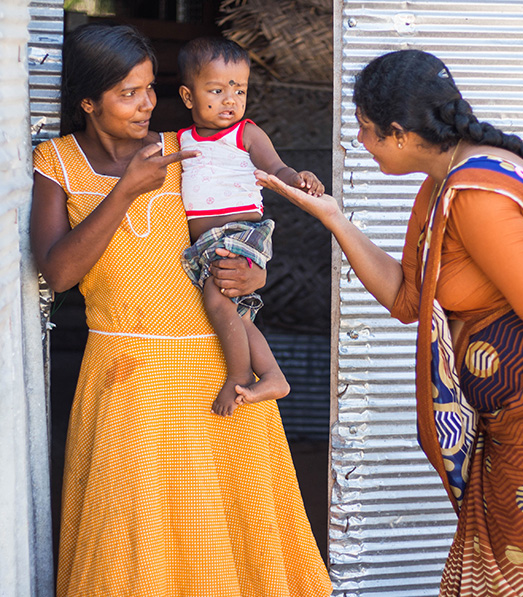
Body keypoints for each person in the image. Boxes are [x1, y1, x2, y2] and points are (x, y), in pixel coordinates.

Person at [259, 49, 523, 596]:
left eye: (366, 131)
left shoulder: (475, 194)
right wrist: (334, 217)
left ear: (400, 132)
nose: (360, 144)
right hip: (515, 418)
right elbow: (408, 299)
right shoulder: (443, 184)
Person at [29, 23, 331, 597]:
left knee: (232, 531)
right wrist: (125, 191)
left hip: (218, 370)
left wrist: (254, 273)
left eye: (149, 88)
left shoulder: (185, 149)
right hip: (126, 376)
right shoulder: (57, 162)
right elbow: (60, 273)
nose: (147, 104)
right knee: (134, 535)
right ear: (87, 103)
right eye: (128, 93)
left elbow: (237, 231)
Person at [175, 36, 324, 416]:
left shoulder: (246, 133)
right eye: (217, 89)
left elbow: (276, 168)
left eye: (239, 90)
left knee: (216, 297)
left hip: (241, 231)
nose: (230, 100)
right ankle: (273, 374)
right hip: (208, 242)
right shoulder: (181, 140)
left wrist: (298, 177)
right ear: (188, 97)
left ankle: (238, 375)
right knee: (238, 313)